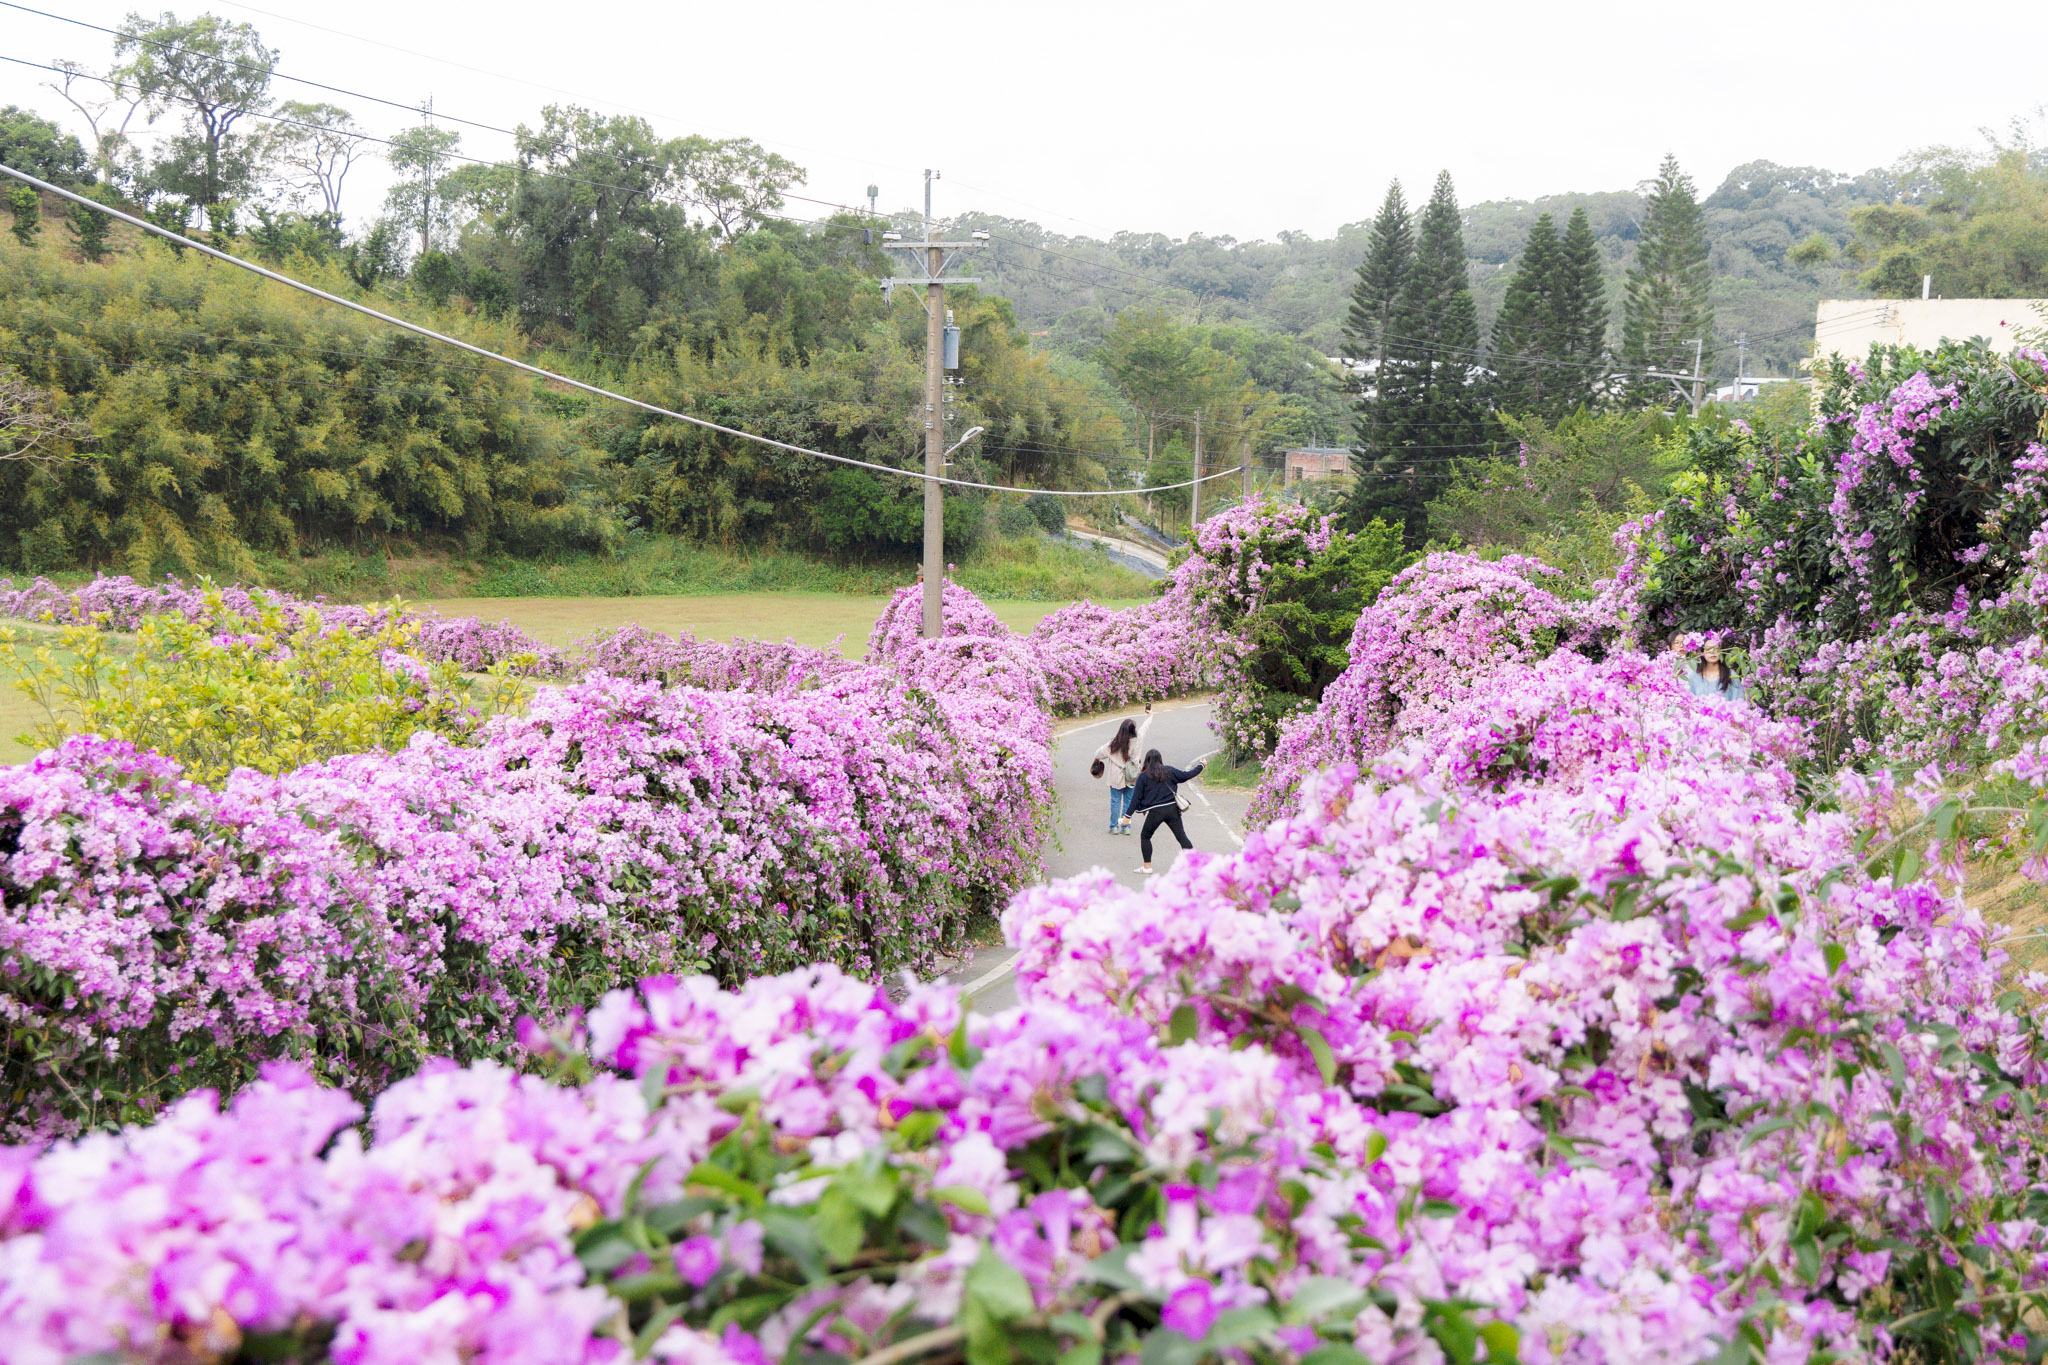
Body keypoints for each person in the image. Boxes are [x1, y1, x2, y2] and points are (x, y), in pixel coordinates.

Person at [1123, 747, 1205, 874]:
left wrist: (1127, 816)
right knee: (1182, 837)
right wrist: (1201, 765)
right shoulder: (1169, 771)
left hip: (1155, 812)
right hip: (1172, 810)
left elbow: (1135, 798)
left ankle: (1147, 867)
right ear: (1160, 759)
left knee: (1145, 836)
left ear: (1147, 761)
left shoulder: (1143, 777)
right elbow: (1187, 775)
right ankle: (1195, 864)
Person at [1091, 704, 1152, 834]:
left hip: (1116, 775)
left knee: (1115, 801)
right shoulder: (1139, 738)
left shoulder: (1114, 744)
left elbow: (1097, 754)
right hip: (1132, 774)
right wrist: (1149, 715)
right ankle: (1125, 827)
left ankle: (1113, 827)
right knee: (1128, 802)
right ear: (1133, 730)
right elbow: (1145, 727)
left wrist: (1099, 760)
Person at [1681, 639, 1748, 703]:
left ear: (1721, 651)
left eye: (1716, 648)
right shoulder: (1693, 676)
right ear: (1702, 652)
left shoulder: (1731, 674)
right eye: (1708, 649)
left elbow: (1739, 700)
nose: (1712, 652)